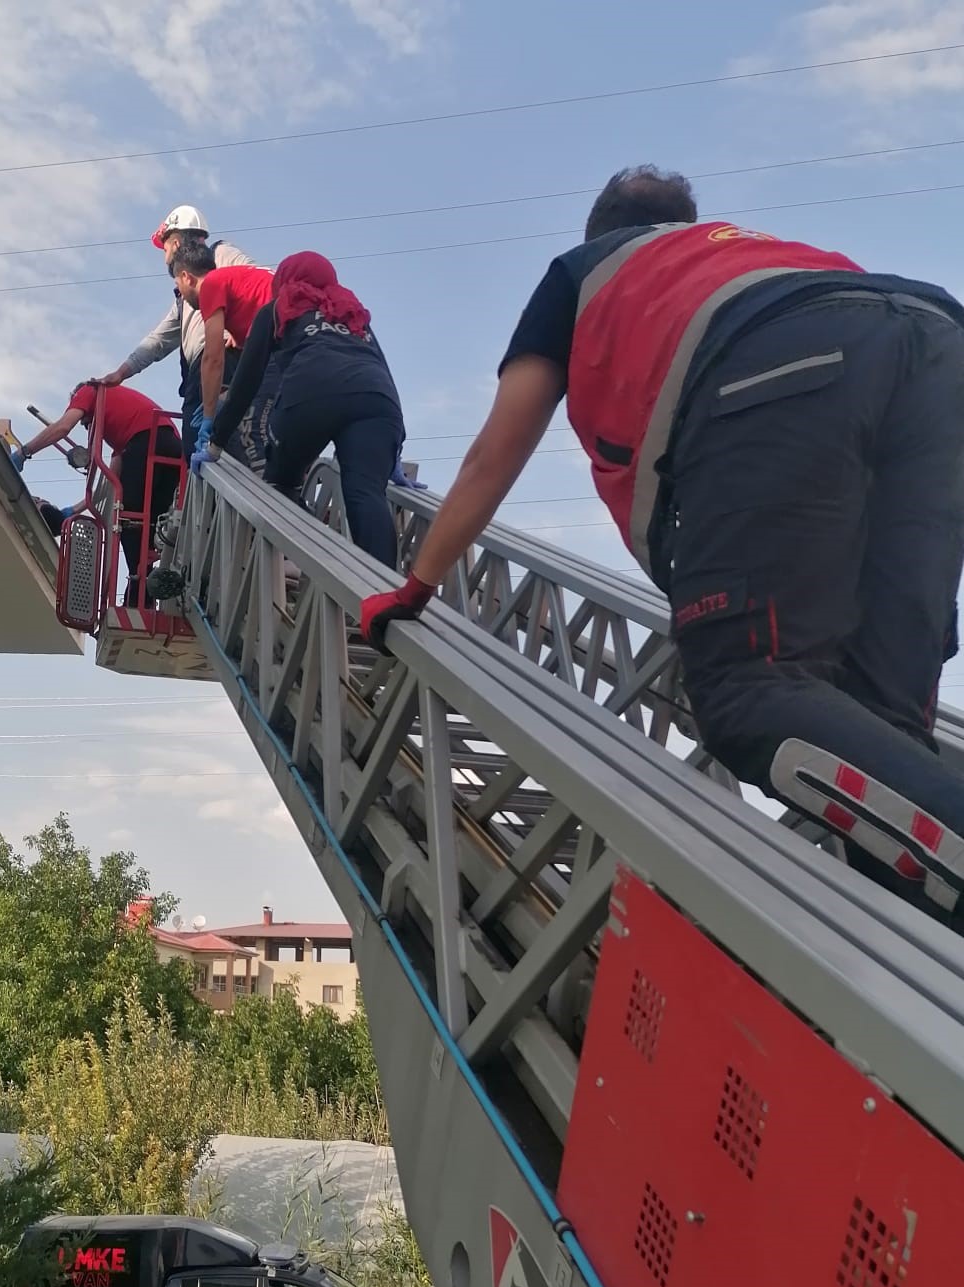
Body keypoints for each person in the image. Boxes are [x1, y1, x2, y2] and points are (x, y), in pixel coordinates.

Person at [359, 165, 964, 926]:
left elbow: (496, 450)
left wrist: (415, 586)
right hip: (939, 351)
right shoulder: (748, 252)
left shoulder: (584, 273)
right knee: (882, 732)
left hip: (780, 358)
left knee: (749, 692)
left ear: (599, 231)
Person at [199, 251, 405, 567]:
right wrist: (393, 453)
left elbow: (246, 383)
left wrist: (216, 442)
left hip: (311, 395)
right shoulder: (352, 311)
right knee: (366, 492)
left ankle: (295, 567)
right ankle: (388, 596)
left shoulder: (276, 309)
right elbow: (383, 369)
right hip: (377, 402)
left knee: (281, 483)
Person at [95, 206, 255, 462]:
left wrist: (240, 334)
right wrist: (122, 372)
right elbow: (157, 341)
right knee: (195, 445)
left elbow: (252, 279)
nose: (165, 256)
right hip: (199, 372)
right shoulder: (184, 299)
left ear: (177, 242)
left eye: (166, 247)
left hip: (224, 360)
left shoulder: (221, 254)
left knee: (223, 442)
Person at [12, 382, 182, 606]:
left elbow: (63, 427)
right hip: (173, 450)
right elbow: (110, 482)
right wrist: (75, 509)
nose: (86, 428)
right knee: (151, 527)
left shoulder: (90, 390)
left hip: (148, 444)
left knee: (128, 519)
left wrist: (24, 452)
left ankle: (141, 592)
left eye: (85, 423)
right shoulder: (125, 430)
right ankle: (143, 591)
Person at [169, 241, 279, 473]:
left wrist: (209, 418)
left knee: (250, 432)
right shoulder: (241, 281)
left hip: (283, 351)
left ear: (187, 277)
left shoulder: (211, 284)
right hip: (310, 348)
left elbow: (213, 358)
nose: (182, 296)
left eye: (178, 286)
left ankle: (262, 501)